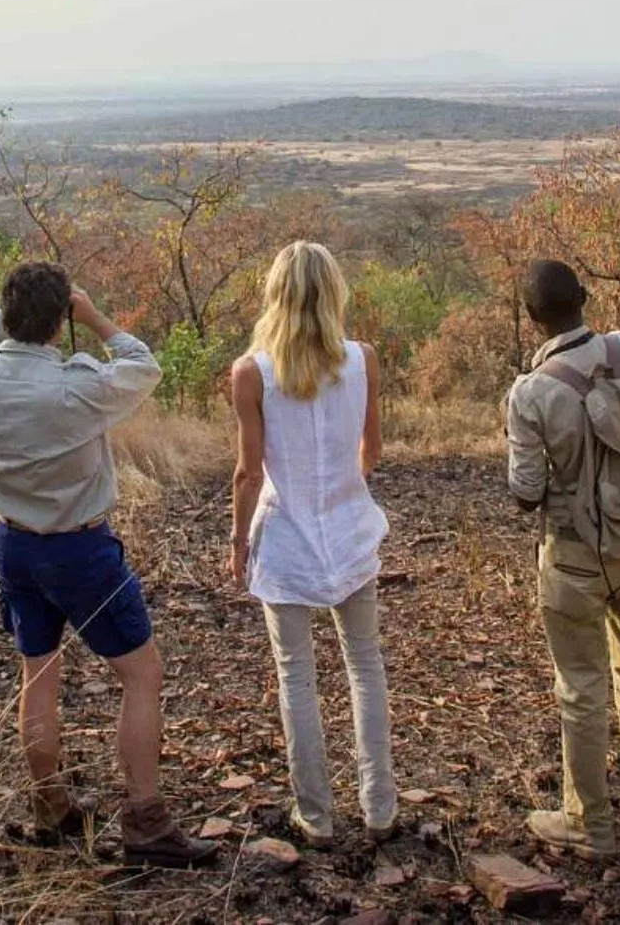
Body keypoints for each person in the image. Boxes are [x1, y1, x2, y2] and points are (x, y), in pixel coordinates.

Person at [0, 262, 214, 867]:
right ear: (59, 322)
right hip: (80, 548)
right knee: (142, 674)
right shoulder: (77, 386)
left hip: (13, 545)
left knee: (38, 674)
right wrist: (92, 315)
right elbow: (142, 365)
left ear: (12, 316)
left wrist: (17, 313)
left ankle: (50, 806)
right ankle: (146, 822)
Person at [504, 258, 620, 859]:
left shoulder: (531, 392)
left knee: (581, 691)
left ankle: (589, 825)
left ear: (532, 319)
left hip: (574, 556)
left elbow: (525, 491)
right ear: (585, 298)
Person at [227, 241, 398, 846]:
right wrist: (342, 485)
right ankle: (380, 807)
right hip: (350, 529)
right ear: (334, 293)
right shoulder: (363, 359)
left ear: (276, 294)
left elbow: (249, 473)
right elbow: (370, 449)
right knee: (365, 665)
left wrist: (238, 541)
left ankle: (317, 816)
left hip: (287, 537)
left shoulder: (253, 372)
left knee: (296, 675)